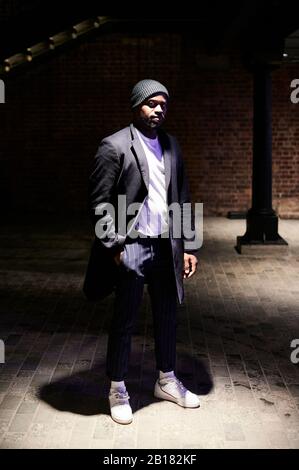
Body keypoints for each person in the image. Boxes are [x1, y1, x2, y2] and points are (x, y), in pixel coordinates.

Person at [83, 79, 200, 425]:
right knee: (125, 319)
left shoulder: (172, 145)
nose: (158, 109)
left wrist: (189, 245)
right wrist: (115, 247)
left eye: (163, 104)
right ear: (136, 106)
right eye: (151, 104)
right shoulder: (114, 146)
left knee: (168, 316)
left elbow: (182, 197)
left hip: (166, 246)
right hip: (131, 246)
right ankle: (117, 387)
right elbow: (99, 203)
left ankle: (166, 380)